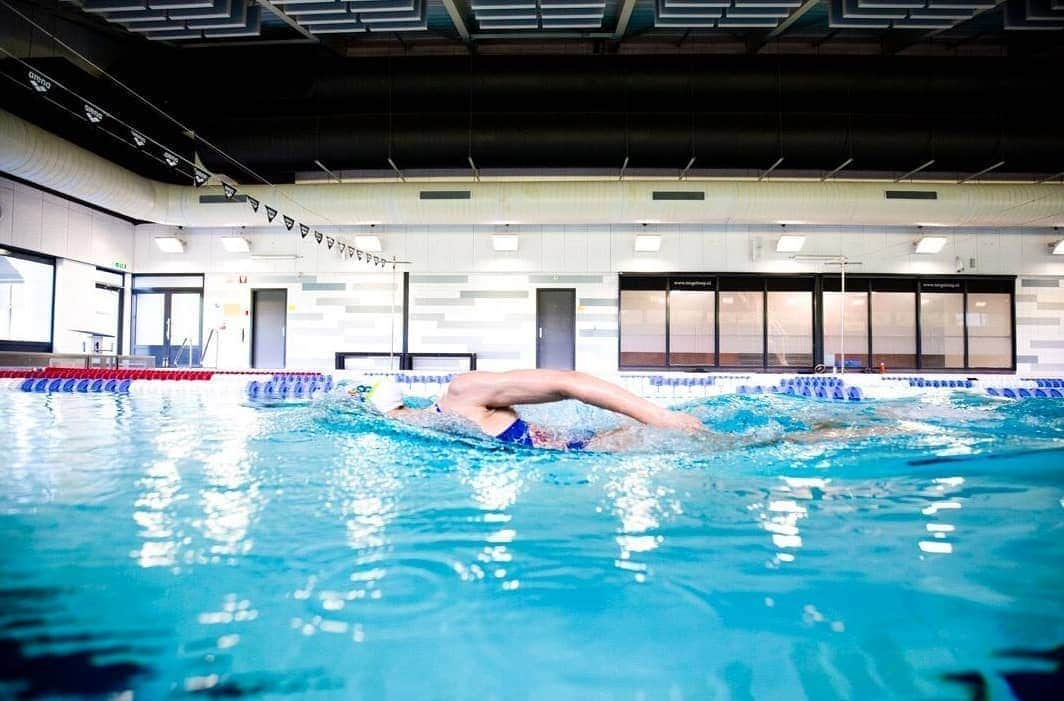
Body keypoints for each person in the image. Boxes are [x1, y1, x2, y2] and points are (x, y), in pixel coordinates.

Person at [350, 369, 706, 451]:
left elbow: (569, 382)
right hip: (585, 452)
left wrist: (661, 417)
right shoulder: (426, 427)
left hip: (603, 448)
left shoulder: (461, 392)